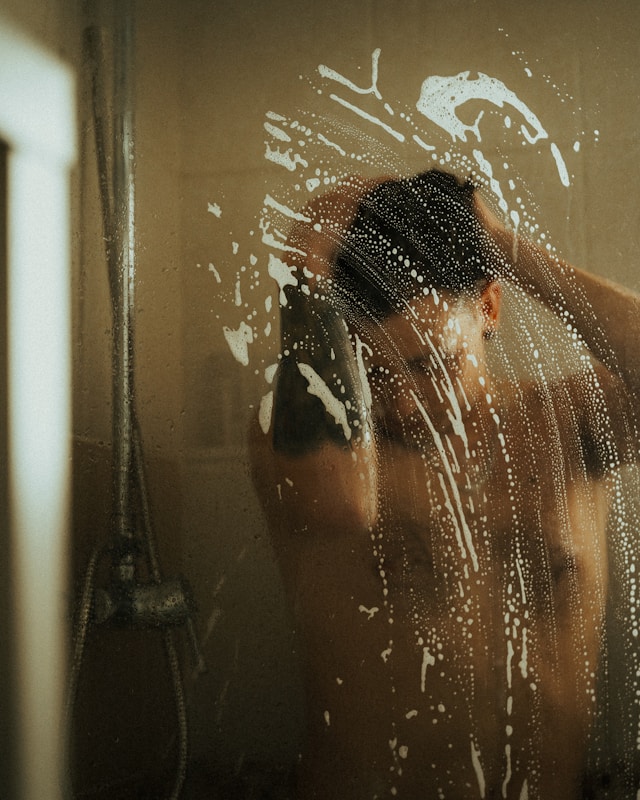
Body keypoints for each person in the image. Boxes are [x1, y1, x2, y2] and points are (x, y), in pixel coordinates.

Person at [250, 169, 640, 799]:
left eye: (431, 365)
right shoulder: (309, 444)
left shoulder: (567, 429)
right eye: (374, 372)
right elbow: (336, 505)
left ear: (489, 306)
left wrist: (502, 245)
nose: (404, 403)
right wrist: (305, 262)